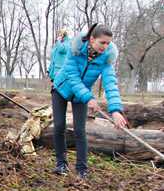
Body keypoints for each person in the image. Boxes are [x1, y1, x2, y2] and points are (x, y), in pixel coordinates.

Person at [51, 23, 127, 179]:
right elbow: (73, 78)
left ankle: (82, 168)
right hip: (61, 89)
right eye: (102, 42)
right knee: (59, 126)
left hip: (81, 96)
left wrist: (116, 111)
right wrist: (89, 98)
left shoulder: (106, 59)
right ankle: (61, 163)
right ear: (92, 40)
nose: (105, 46)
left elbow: (110, 84)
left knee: (80, 130)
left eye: (108, 43)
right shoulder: (75, 51)